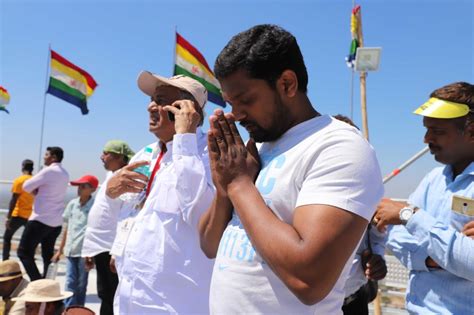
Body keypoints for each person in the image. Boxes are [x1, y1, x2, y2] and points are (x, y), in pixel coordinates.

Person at [198, 24, 384, 314]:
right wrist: (224, 188)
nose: (237, 114)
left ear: (287, 84)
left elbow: (308, 280)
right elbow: (209, 245)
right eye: (231, 103)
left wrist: (239, 185)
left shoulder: (339, 147)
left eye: (245, 100)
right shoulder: (254, 150)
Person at [106, 72, 215, 314]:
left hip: (175, 303)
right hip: (129, 297)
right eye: (151, 99)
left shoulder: (211, 153)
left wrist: (185, 138)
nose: (150, 107)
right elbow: (131, 208)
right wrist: (109, 190)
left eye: (160, 99)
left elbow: (201, 214)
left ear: (187, 109)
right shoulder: (145, 153)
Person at [374, 82, 474, 314]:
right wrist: (437, 259)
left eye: (438, 131)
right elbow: (396, 238)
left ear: (471, 132)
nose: (426, 138)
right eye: (427, 129)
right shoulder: (433, 179)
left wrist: (409, 215)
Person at [81, 140, 134, 315]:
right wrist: (90, 249)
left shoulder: (125, 179)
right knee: (105, 293)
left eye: (106, 152)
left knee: (111, 296)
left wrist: (117, 249)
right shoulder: (111, 177)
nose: (101, 156)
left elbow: (128, 215)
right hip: (100, 247)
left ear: (119, 157)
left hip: (110, 247)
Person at [18, 146, 69, 281]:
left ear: (53, 157)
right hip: (56, 223)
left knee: (23, 253)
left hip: (40, 220)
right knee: (48, 257)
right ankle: (46, 287)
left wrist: (36, 190)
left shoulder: (48, 171)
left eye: (46, 155)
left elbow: (26, 186)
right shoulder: (65, 173)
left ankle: (37, 283)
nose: (44, 157)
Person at [52, 175, 98, 307]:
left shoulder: (95, 207)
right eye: (79, 186)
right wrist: (59, 250)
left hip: (85, 252)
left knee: (81, 284)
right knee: (70, 282)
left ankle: (78, 309)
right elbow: (67, 229)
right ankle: (69, 309)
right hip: (71, 250)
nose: (80, 188)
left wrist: (91, 253)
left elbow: (95, 230)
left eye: (84, 186)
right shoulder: (72, 204)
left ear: (93, 189)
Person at [3, 159, 34, 261]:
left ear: (22, 167)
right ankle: (29, 259)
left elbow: (13, 200)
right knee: (30, 240)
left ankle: (5, 261)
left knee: (7, 237)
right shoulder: (35, 180)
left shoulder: (19, 181)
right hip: (30, 216)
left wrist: (8, 217)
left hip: (17, 215)